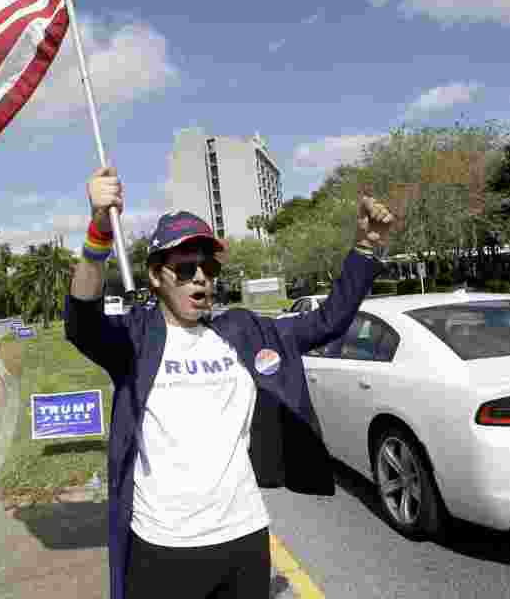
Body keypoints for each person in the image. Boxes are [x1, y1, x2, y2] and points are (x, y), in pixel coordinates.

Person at [65, 166, 395, 599]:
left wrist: (366, 248)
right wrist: (97, 234)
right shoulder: (135, 338)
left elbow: (328, 321)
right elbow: (82, 322)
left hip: (244, 538)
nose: (200, 276)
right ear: (156, 275)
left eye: (208, 266)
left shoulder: (242, 330)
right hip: (163, 545)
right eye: (184, 267)